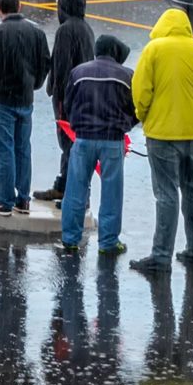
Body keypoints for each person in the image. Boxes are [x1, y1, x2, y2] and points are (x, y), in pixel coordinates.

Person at [131, 8, 193, 275]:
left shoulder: (154, 50)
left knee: (166, 194)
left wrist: (143, 116)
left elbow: (141, 91)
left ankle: (161, 256)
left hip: (162, 134)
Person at [0, 0, 50, 212]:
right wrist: (34, 84)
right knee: (23, 148)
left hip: (0, 98)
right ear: (20, 6)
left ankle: (5, 199)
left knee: (3, 149)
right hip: (25, 97)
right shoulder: (37, 32)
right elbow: (45, 62)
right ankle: (23, 198)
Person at [57, 34, 135, 256]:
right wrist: (125, 125)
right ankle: (108, 242)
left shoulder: (79, 72)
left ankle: (70, 238)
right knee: (112, 192)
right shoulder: (127, 75)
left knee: (75, 190)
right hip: (112, 140)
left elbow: (68, 103)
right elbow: (135, 108)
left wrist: (78, 123)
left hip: (83, 138)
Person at [38, 0, 95, 204]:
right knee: (74, 143)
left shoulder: (66, 31)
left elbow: (61, 66)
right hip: (84, 94)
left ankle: (74, 193)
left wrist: (58, 93)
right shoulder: (86, 28)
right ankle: (64, 185)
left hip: (68, 97)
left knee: (69, 143)